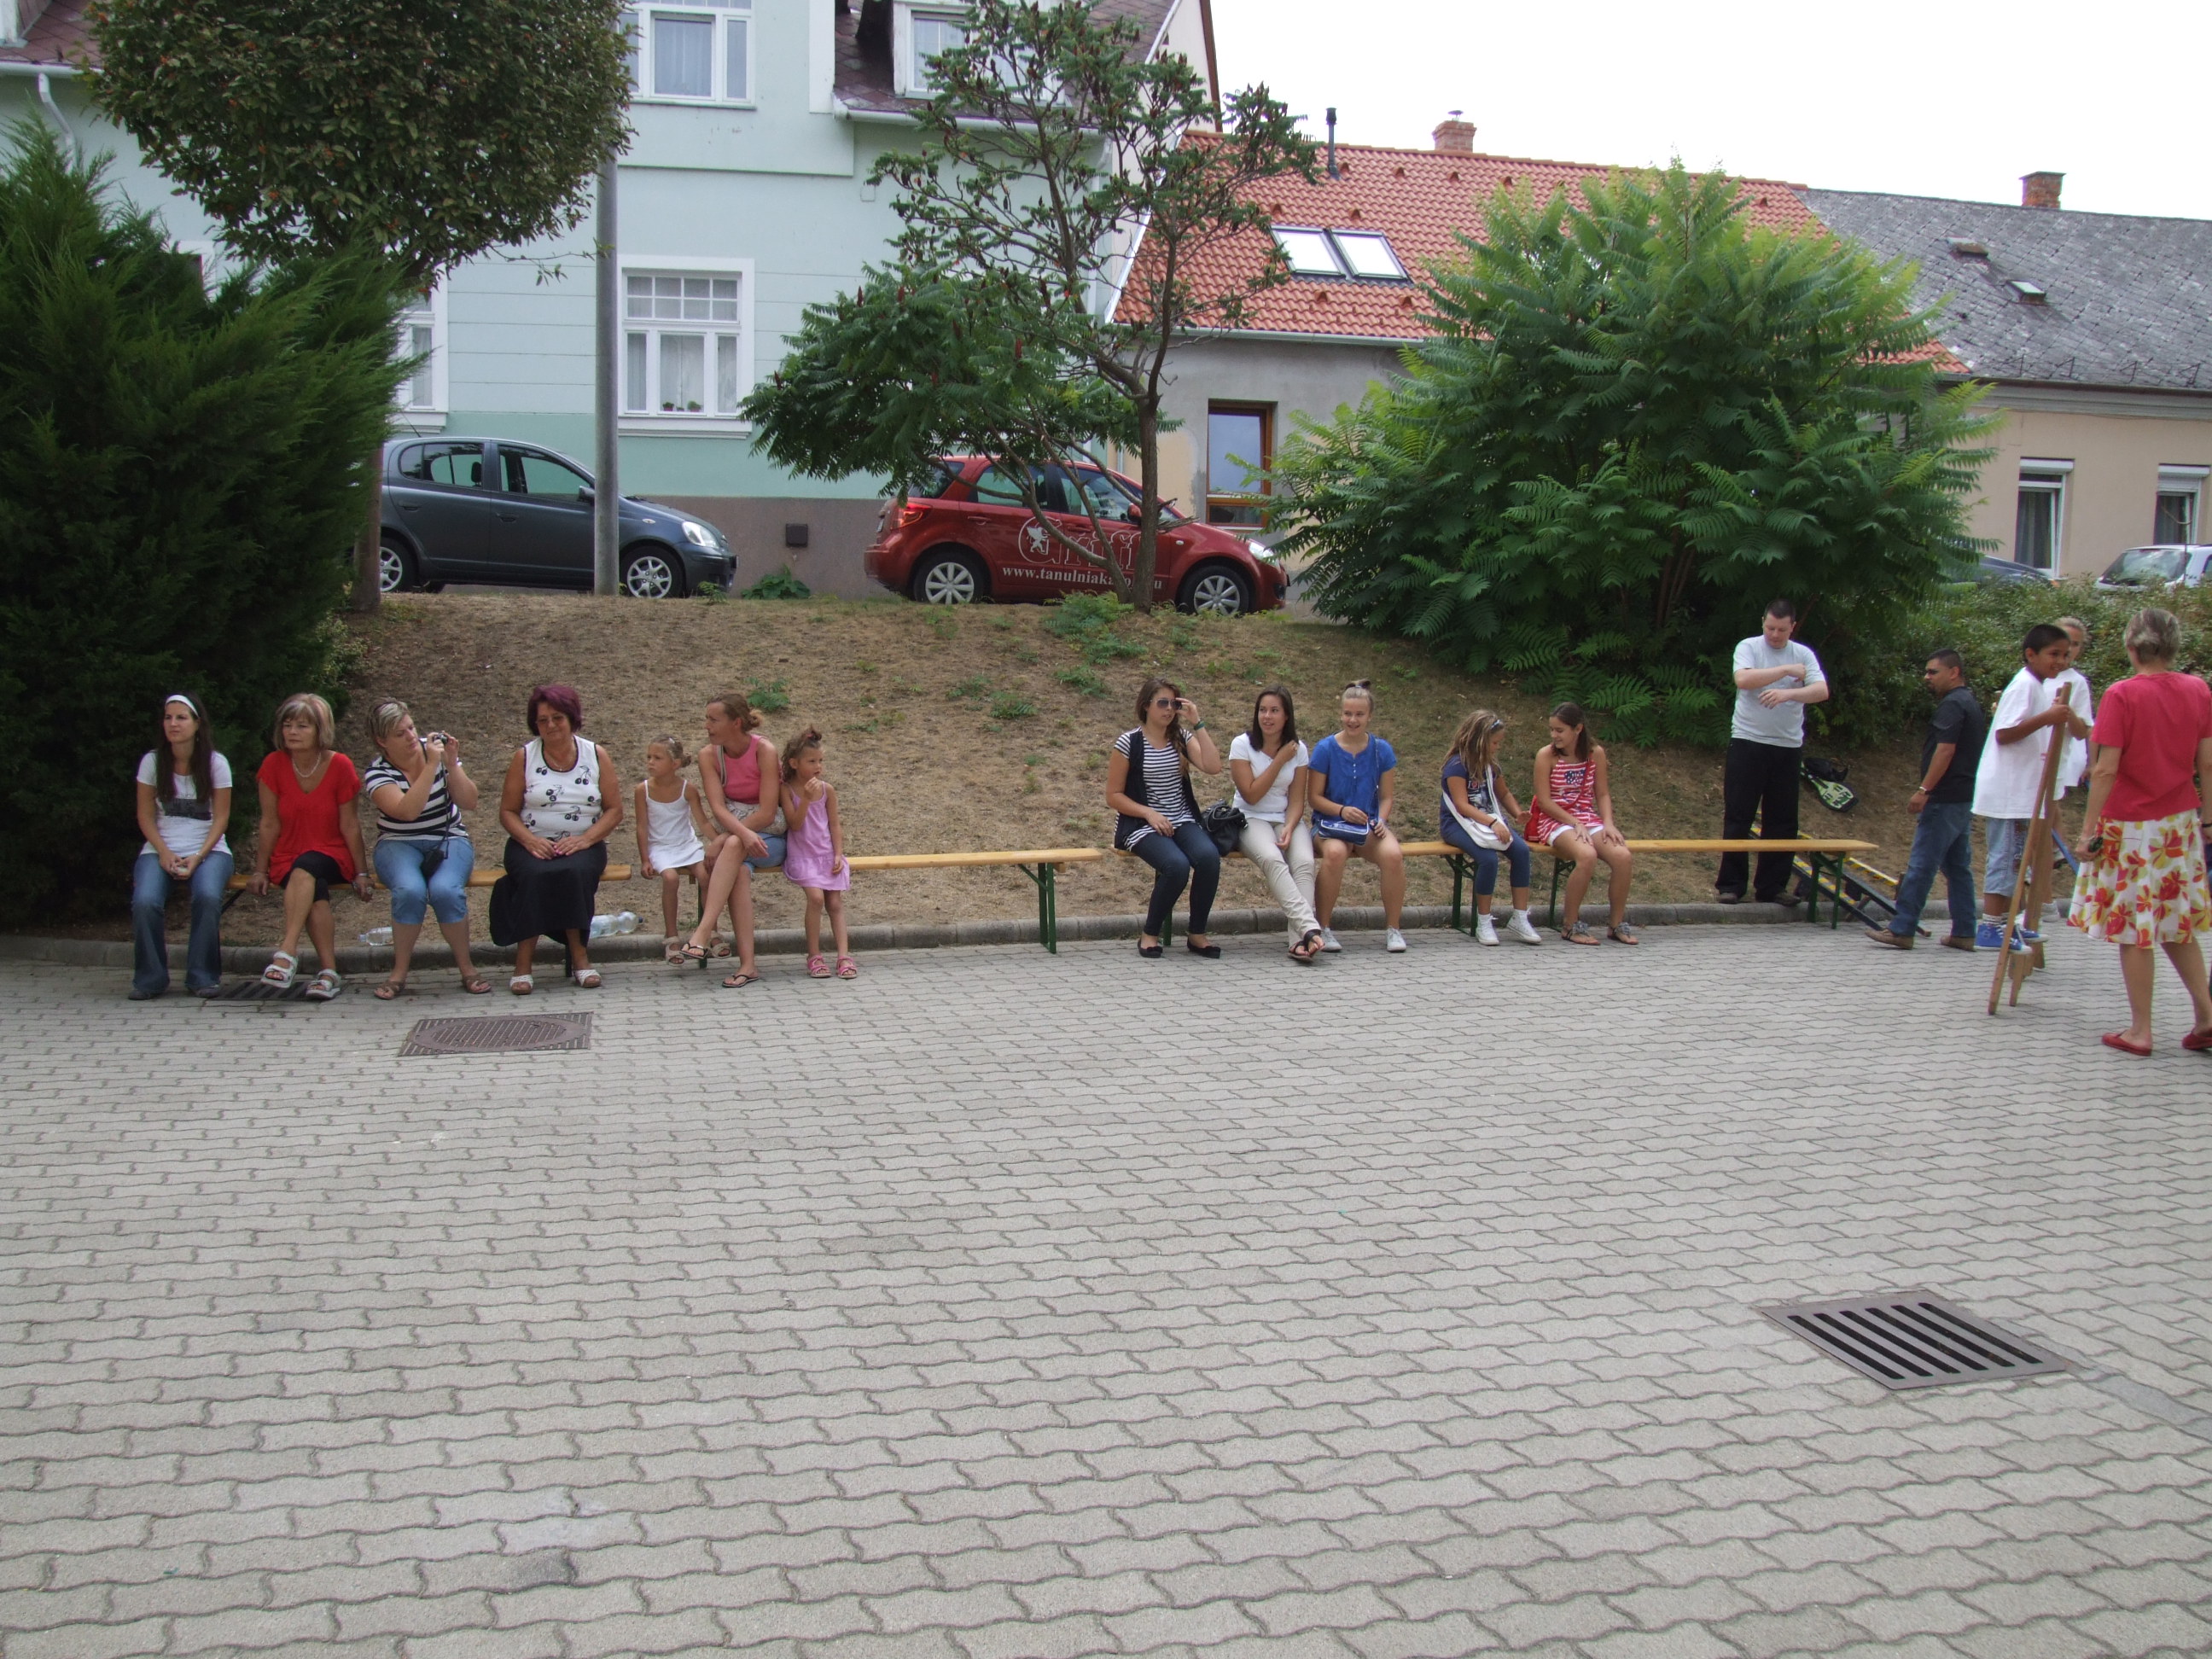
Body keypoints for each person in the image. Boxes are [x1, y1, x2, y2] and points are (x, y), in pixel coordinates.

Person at [2068, 608, 2212, 1056]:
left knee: (2134, 928)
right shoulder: (2198, 689)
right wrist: (2208, 818)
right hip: (2180, 821)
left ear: (2131, 647)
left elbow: (2106, 768)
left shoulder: (2122, 694)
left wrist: (2087, 830)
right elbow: (2207, 761)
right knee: (2177, 923)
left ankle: (2141, 1030)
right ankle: (2207, 1016)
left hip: (2130, 823)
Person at [492, 684, 623, 994]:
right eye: (543, 720)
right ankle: (523, 963)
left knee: (573, 872)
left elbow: (614, 810)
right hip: (531, 841)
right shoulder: (524, 757)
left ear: (572, 718)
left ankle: (580, 957)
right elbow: (507, 812)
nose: (550, 725)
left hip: (583, 843)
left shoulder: (596, 755)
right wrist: (529, 841)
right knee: (535, 874)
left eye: (557, 718)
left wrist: (586, 840)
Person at [1971, 623, 2092, 951]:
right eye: (2054, 654)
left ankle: (2007, 923)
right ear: (2031, 654)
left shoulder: (2039, 685)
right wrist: (2048, 717)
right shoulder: (2024, 685)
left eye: (2065, 655)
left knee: (2017, 860)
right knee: (2006, 857)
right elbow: (2005, 733)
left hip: (2026, 789)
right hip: (2008, 789)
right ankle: (1991, 925)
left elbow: (2079, 731)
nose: (2060, 661)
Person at [362, 698, 489, 998]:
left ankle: (467, 969)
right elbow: (407, 811)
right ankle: (399, 973)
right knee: (409, 891)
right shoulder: (378, 773)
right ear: (382, 741)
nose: (410, 737)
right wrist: (431, 767)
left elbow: (470, 801)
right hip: (397, 842)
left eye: (411, 728)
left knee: (446, 891)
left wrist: (452, 764)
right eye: (399, 734)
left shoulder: (435, 752)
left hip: (448, 838)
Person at [249, 692, 369, 999]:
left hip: (331, 852)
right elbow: (269, 823)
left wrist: (362, 872)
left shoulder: (340, 766)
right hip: (287, 854)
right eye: (287, 725)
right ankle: (329, 973)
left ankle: (287, 952)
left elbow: (350, 824)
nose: (292, 732)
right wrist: (260, 870)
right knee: (313, 889)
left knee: (307, 867)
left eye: (302, 726)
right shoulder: (273, 765)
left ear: (320, 730)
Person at [1866, 651, 1985, 952]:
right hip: (1963, 796)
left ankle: (1902, 928)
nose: (1927, 677)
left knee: (1922, 864)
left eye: (1933, 672)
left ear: (1954, 672)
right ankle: (1964, 931)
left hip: (1944, 797)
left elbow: (1945, 750)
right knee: (1958, 867)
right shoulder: (1970, 702)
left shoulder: (1953, 704)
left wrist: (1924, 789)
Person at [1718, 598, 1829, 905]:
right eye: (1770, 628)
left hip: (1787, 746)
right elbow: (1743, 679)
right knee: (1739, 814)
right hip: (1748, 741)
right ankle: (1731, 884)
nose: (1775, 635)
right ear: (1763, 623)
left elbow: (1821, 690)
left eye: (1781, 629)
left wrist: (1788, 694)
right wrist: (1785, 671)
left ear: (1793, 627)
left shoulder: (1803, 654)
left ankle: (1772, 886)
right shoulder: (1749, 647)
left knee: (1782, 819)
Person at [1108, 678, 1225, 958]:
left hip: (1181, 819)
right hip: (1141, 824)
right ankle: (1150, 933)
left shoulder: (1181, 738)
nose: (1169, 709)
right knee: (1176, 865)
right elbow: (1113, 795)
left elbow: (1213, 767)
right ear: (1146, 705)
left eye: (1174, 703)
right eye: (1163, 703)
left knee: (1208, 857)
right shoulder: (1129, 743)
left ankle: (1197, 934)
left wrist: (1197, 723)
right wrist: (1149, 813)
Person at [130, 694, 234, 999]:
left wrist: (198, 856)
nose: (173, 724)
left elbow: (222, 818)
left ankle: (202, 976)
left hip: (210, 850)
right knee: (145, 901)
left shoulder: (216, 763)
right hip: (160, 848)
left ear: (197, 724)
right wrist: (164, 852)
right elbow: (145, 816)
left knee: (207, 896)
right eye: (168, 718)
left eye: (181, 718)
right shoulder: (152, 762)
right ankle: (150, 979)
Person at [678, 692, 782, 987]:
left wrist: (728, 838)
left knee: (734, 845)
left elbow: (767, 812)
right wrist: (737, 835)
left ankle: (703, 931)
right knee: (738, 872)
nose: (706, 726)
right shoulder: (708, 755)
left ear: (736, 723)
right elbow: (718, 808)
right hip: (739, 839)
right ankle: (747, 966)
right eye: (706, 719)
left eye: (713, 720)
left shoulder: (764, 750)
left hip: (772, 836)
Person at [1307, 681, 1408, 953]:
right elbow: (1314, 798)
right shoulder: (1325, 748)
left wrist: (1381, 820)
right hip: (1329, 824)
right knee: (1335, 853)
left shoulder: (1382, 750)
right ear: (1341, 714)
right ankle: (1323, 928)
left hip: (1366, 826)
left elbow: (1386, 797)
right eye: (1348, 713)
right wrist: (1342, 810)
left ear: (1369, 716)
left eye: (1359, 714)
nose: (1353, 720)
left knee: (1393, 855)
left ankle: (1394, 928)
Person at [1227, 686, 1325, 964]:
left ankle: (1298, 943)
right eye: (1262, 710)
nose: (1267, 717)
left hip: (1285, 818)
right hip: (1249, 817)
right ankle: (1309, 928)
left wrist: (1290, 826)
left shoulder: (1299, 749)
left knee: (1304, 862)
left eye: (1274, 711)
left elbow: (1296, 801)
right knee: (1273, 859)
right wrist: (1280, 759)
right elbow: (1252, 794)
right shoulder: (1242, 745)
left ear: (1286, 716)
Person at [1527, 701, 1636, 945]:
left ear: (1578, 729)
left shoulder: (1595, 753)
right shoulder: (1546, 756)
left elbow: (1603, 794)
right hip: (1555, 819)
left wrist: (1609, 823)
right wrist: (1574, 822)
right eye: (1552, 730)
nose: (1554, 735)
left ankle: (1616, 924)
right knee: (1586, 855)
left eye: (1560, 730)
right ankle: (1570, 924)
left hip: (1587, 817)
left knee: (1623, 856)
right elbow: (1544, 802)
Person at [1439, 708, 1540, 946]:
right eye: (1494, 743)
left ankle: (1519, 917)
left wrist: (1517, 813)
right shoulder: (1456, 766)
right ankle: (1483, 920)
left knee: (1521, 851)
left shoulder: (1490, 765)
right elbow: (1462, 805)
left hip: (1487, 821)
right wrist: (1493, 823)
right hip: (1457, 824)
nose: (1497, 747)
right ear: (1480, 741)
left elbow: (1503, 793)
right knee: (1488, 859)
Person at [779, 726, 856, 979]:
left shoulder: (827, 789)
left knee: (834, 903)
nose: (818, 766)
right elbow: (794, 824)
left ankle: (844, 956)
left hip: (826, 855)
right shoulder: (786, 789)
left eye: (820, 761)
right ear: (794, 763)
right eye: (811, 761)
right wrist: (806, 799)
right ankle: (814, 955)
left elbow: (834, 825)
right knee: (816, 899)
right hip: (803, 857)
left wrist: (838, 854)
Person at [635, 736, 710, 962]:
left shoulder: (688, 789)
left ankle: (709, 932)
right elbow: (641, 826)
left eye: (657, 758)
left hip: (686, 845)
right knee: (670, 878)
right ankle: (671, 936)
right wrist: (645, 859)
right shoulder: (643, 790)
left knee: (706, 876)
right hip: (660, 847)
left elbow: (703, 822)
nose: (650, 762)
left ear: (675, 764)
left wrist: (717, 842)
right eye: (649, 757)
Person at [2053, 615, 2097, 795]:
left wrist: (2067, 710)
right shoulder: (2035, 675)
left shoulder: (2077, 682)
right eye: (2066, 641)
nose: (2070, 649)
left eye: (2076, 644)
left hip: (2061, 758)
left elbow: (2084, 730)